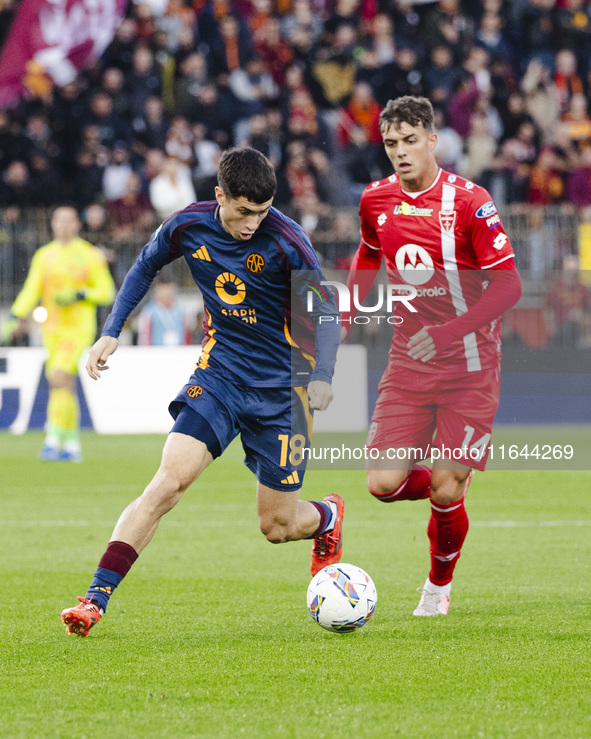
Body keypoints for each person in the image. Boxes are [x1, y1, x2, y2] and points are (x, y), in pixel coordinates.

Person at [60, 147, 344, 637]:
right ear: (219, 196)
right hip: (221, 376)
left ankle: (327, 516)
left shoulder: (289, 242)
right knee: (167, 484)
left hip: (284, 393)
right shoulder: (187, 226)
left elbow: (325, 313)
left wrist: (323, 377)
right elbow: (144, 267)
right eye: (243, 211)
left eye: (263, 211)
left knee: (277, 527)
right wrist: (112, 329)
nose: (254, 222)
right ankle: (95, 598)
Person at [342, 96, 522, 616]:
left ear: (432, 140)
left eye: (410, 141)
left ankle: (437, 587)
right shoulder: (375, 200)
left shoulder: (471, 202)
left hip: (470, 365)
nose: (400, 152)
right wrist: (348, 315)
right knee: (381, 483)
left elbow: (507, 286)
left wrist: (448, 333)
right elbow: (369, 253)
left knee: (445, 487)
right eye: (391, 143)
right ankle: (451, 477)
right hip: (408, 362)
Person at [1, 206, 115, 461]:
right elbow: (31, 289)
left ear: (77, 224)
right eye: (59, 220)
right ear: (52, 224)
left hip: (78, 328)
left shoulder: (89, 254)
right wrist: (15, 316)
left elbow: (107, 291)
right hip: (51, 329)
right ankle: (72, 443)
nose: (63, 225)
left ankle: (53, 439)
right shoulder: (44, 255)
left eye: (68, 220)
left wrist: (80, 294)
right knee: (61, 384)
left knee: (59, 376)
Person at [137, 277, 191, 345]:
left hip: (179, 352)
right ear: (157, 290)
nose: (167, 292)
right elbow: (144, 336)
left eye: (169, 289)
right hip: (156, 352)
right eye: (164, 289)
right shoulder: (149, 311)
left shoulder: (182, 310)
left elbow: (188, 333)